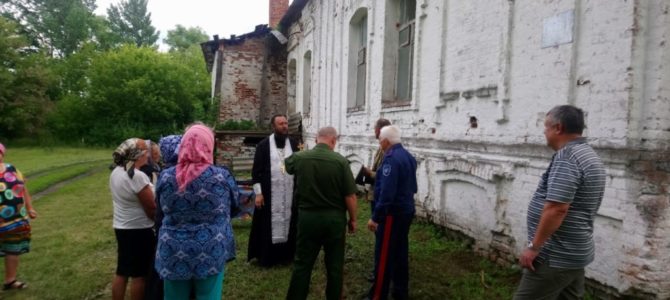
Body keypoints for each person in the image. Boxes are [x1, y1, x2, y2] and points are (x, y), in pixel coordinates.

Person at [514, 105, 606, 299]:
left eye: (546, 127)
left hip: (554, 255)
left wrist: (534, 247)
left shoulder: (568, 157)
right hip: (575, 252)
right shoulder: (588, 154)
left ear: (558, 128)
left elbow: (557, 208)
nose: (544, 132)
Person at [155, 124, 239, 300]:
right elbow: (234, 207)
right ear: (209, 145)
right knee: (209, 296)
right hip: (210, 248)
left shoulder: (165, 176)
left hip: (172, 248)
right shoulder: (221, 176)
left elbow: (160, 208)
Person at [285, 126, 358, 300]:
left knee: (303, 263)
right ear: (333, 140)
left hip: (308, 218)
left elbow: (286, 167)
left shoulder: (299, 157)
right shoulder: (341, 162)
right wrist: (353, 219)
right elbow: (350, 196)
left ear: (317, 139)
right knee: (334, 265)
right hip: (334, 220)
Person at [366, 125, 417, 300]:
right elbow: (413, 187)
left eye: (380, 140)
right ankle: (400, 292)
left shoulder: (390, 159)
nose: (380, 144)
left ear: (386, 141)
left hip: (391, 215)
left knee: (384, 254)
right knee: (400, 252)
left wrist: (375, 218)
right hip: (406, 210)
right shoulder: (409, 157)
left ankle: (377, 295)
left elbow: (387, 193)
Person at [248, 114, 300, 267]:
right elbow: (256, 172)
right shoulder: (263, 145)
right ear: (273, 126)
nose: (284, 126)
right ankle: (267, 257)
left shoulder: (294, 143)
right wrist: (258, 193)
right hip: (269, 193)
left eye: (286, 123)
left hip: (290, 193)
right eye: (280, 124)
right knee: (267, 224)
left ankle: (287, 256)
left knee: (290, 222)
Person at [109, 138, 157, 300]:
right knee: (140, 275)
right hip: (139, 229)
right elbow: (151, 208)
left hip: (121, 227)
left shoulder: (116, 172)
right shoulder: (137, 177)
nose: (147, 155)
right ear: (137, 155)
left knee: (122, 270)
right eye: (145, 152)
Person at [0, 142, 37, 291]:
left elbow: (23, 189)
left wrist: (29, 207)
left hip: (15, 220)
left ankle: (10, 280)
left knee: (13, 249)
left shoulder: (12, 169)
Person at [361, 118, 391, 282]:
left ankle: (381, 271)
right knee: (379, 236)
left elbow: (383, 176)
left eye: (375, 128)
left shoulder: (388, 150)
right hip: (375, 195)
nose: (374, 131)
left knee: (382, 236)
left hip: (381, 199)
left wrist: (368, 173)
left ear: (380, 130)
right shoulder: (381, 147)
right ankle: (380, 267)